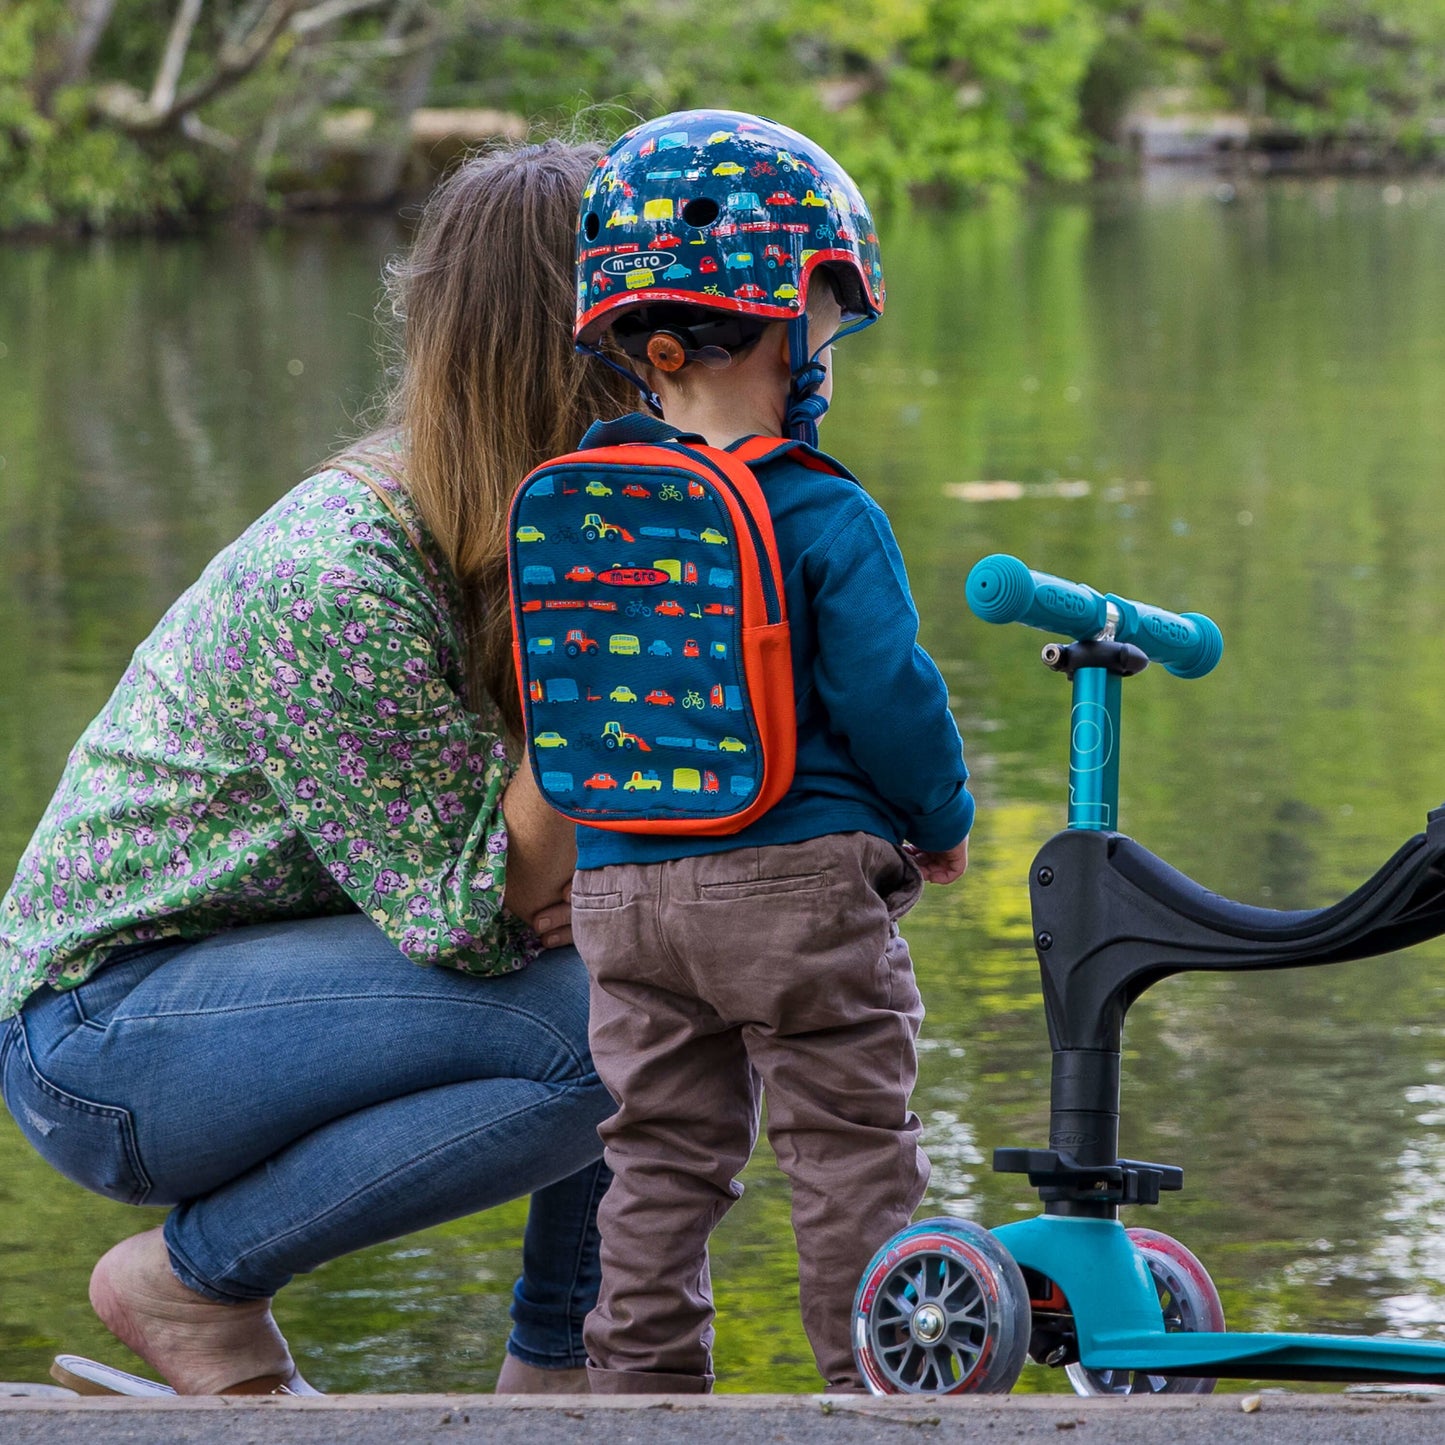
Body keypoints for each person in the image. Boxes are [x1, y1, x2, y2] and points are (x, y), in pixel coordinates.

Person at [0, 137, 636, 1396]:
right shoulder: (337, 576)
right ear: (576, 347)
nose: (696, 355)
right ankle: (188, 1281)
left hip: (293, 968)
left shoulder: (533, 527)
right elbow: (474, 905)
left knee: (661, 968)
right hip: (99, 1033)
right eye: (663, 320)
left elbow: (541, 870)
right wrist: (599, 670)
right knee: (616, 1028)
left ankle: (568, 1372)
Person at [562, 110, 975, 1394]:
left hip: (620, 892)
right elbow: (886, 691)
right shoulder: (820, 505)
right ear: (789, 317)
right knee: (848, 1146)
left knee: (657, 1162)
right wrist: (942, 814)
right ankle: (882, 1392)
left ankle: (634, 1396)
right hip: (795, 885)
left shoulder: (583, 504)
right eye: (830, 323)